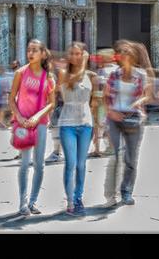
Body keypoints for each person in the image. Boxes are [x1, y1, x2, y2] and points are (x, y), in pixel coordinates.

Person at [8, 39, 56, 216]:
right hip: (23, 124)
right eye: (29, 50)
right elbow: (11, 99)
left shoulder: (49, 77)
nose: (30, 53)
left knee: (39, 164)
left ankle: (33, 201)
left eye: (35, 50)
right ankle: (23, 202)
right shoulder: (20, 73)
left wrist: (37, 116)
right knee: (24, 163)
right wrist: (19, 117)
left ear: (43, 53)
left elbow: (51, 103)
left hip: (41, 124)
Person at [103, 40, 153, 207]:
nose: (122, 55)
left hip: (133, 118)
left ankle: (126, 192)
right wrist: (110, 111)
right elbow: (106, 96)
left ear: (132, 56)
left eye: (125, 53)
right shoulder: (113, 75)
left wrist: (138, 102)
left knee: (130, 159)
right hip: (115, 119)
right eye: (121, 53)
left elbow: (148, 95)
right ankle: (110, 194)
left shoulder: (141, 75)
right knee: (115, 155)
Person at [58, 42, 97, 215]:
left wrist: (96, 126)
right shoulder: (63, 74)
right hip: (67, 123)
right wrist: (85, 63)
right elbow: (73, 81)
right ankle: (70, 200)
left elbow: (94, 102)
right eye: (72, 53)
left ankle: (78, 196)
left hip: (86, 123)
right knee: (71, 163)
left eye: (78, 54)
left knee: (81, 164)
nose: (75, 56)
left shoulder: (91, 76)